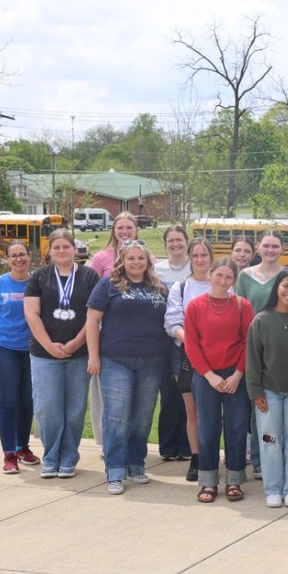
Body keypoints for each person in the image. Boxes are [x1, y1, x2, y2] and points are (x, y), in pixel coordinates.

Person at [85, 241, 169, 495]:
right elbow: (92, 320)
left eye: (141, 258)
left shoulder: (158, 287)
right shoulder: (108, 284)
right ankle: (116, 470)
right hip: (115, 359)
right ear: (123, 260)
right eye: (131, 258)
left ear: (148, 261)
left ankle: (136, 463)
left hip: (152, 360)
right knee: (116, 416)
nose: (136, 263)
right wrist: (93, 356)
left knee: (143, 418)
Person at [24, 229, 100, 478]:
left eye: (66, 247)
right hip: (44, 355)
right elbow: (31, 313)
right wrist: (48, 345)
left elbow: (94, 316)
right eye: (56, 247)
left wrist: (77, 344)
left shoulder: (89, 276)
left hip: (79, 353)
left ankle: (68, 458)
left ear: (74, 249)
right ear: (50, 251)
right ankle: (51, 456)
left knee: (75, 408)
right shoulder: (40, 277)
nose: (61, 251)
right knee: (47, 408)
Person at [185, 259, 254, 503]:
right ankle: (208, 481)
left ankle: (234, 480)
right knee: (208, 429)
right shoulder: (195, 306)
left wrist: (238, 374)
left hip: (236, 375)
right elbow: (192, 345)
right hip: (206, 377)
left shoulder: (242, 306)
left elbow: (249, 343)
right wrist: (209, 375)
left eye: (228, 277)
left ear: (234, 280)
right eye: (219, 275)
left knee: (236, 427)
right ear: (210, 274)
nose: (223, 281)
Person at [87, 212, 153, 451]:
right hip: (109, 340)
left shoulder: (146, 256)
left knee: (139, 408)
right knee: (110, 403)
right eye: (120, 227)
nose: (125, 231)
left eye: (129, 227)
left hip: (142, 345)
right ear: (113, 230)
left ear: (137, 230)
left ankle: (132, 455)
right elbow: (91, 297)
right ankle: (108, 446)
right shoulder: (101, 258)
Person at [246, 270, 288, 508]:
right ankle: (273, 489)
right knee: (269, 439)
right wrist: (256, 392)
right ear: (277, 287)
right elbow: (252, 359)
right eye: (286, 286)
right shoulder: (261, 319)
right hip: (268, 391)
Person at [0, 241, 38, 473]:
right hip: (3, 350)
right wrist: (1, 339)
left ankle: (22, 447)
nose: (18, 259)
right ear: (7, 259)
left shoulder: (38, 282)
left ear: (29, 256)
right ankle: (9, 454)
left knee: (27, 401)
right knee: (9, 401)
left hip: (33, 351)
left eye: (22, 254)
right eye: (13, 256)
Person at [164, 238, 216, 482]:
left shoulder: (224, 284)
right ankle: (197, 458)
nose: (199, 259)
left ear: (211, 257)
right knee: (193, 410)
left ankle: (213, 456)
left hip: (218, 356)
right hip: (186, 355)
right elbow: (172, 323)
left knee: (214, 411)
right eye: (195, 255)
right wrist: (193, 342)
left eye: (204, 255)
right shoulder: (181, 287)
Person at [236, 231, 285, 480]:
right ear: (258, 247)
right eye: (266, 245)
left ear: (282, 249)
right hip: (251, 347)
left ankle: (276, 457)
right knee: (256, 404)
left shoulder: (287, 275)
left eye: (275, 246)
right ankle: (258, 461)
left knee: (273, 406)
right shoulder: (245, 276)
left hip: (278, 349)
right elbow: (238, 311)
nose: (270, 250)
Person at [155, 225, 193, 464]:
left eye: (179, 239)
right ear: (165, 243)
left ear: (186, 242)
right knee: (168, 392)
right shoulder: (157, 269)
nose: (175, 244)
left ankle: (187, 445)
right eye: (171, 240)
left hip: (192, 339)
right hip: (163, 338)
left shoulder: (196, 266)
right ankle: (169, 446)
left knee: (188, 392)